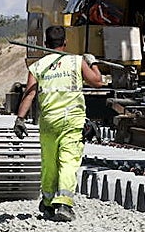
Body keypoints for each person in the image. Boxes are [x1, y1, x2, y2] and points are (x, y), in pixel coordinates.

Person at [13, 25, 104, 221]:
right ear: (65, 42)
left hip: (48, 121)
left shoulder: (37, 66)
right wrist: (92, 62)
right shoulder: (76, 61)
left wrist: (20, 119)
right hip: (72, 120)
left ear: (46, 44)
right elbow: (98, 81)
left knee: (49, 163)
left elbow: (29, 94)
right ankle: (64, 204)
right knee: (68, 161)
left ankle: (47, 203)